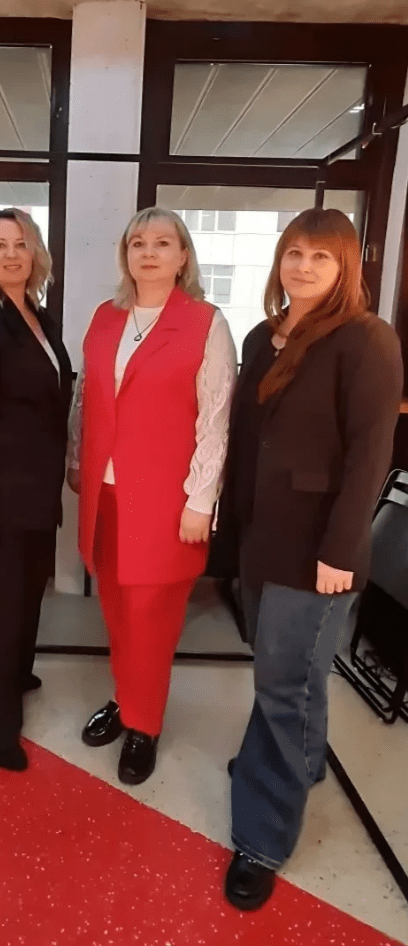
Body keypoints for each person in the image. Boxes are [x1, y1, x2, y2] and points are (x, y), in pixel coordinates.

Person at [218, 208, 402, 911]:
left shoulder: (365, 338)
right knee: (288, 676)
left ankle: (262, 836)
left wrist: (340, 549)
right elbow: (247, 438)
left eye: (321, 257)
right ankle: (294, 761)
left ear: (345, 266)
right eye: (293, 252)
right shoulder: (262, 337)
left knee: (285, 686)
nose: (303, 266)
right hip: (261, 537)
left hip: (317, 549)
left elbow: (370, 454)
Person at [68, 207, 237, 786]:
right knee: (117, 611)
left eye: (162, 242)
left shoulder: (205, 323)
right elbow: (86, 397)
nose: (148, 252)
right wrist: (76, 461)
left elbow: (215, 420)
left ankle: (145, 724)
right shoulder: (105, 317)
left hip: (167, 502)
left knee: (153, 619)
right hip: (106, 494)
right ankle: (126, 698)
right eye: (137, 242)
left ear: (183, 255)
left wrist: (201, 500)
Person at [0, 208, 72, 772]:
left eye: (20, 243)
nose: (10, 254)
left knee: (24, 601)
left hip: (36, 494)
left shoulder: (39, 317)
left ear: (35, 253)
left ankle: (15, 678)